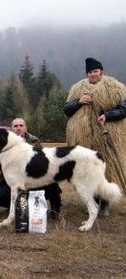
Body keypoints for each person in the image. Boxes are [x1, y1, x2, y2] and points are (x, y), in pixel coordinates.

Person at [63, 57, 126, 216]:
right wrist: (78, 101)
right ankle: (93, 202)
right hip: (83, 139)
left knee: (107, 170)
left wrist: (107, 115)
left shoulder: (115, 87)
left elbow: (123, 109)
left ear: (101, 72)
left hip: (106, 137)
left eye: (95, 71)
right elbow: (67, 110)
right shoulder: (77, 88)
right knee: (87, 169)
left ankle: (104, 203)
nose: (92, 75)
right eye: (90, 72)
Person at [0, 118, 62, 217]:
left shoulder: (34, 140)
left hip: (34, 177)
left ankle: (56, 207)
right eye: (15, 126)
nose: (18, 128)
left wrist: (20, 145)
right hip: (13, 178)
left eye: (21, 125)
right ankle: (14, 207)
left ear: (26, 128)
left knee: (51, 179)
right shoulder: (3, 142)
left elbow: (39, 162)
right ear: (12, 129)